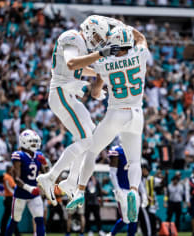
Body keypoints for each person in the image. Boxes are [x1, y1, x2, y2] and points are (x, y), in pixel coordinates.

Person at [67, 26, 149, 227]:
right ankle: (133, 190)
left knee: (92, 151)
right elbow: (141, 38)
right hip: (137, 114)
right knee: (134, 162)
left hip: (116, 112)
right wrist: (125, 26)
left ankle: (80, 189)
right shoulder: (140, 54)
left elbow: (74, 66)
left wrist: (99, 53)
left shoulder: (106, 62)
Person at [37, 15, 123, 204]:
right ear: (91, 32)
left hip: (67, 92)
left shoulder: (80, 44)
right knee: (85, 140)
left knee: (89, 135)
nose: (99, 43)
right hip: (61, 92)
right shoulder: (72, 37)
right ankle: (50, 177)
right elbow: (71, 63)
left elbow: (79, 69)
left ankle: (71, 181)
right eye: (99, 38)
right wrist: (101, 55)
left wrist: (101, 73)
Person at [6, 130, 47, 236]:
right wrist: (30, 188)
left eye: (35, 141)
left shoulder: (38, 155)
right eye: (32, 141)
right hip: (21, 194)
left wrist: (45, 164)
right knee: (15, 220)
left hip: (34, 194)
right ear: (24, 142)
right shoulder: (19, 155)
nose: (35, 144)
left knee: (40, 220)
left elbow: (46, 174)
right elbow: (17, 179)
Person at [107, 145, 148, 236]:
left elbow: (138, 176)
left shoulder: (135, 149)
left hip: (133, 189)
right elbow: (112, 173)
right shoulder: (117, 150)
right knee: (125, 218)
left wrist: (144, 193)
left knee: (134, 218)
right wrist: (117, 189)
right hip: (122, 189)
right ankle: (111, 234)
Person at [0, 165, 19, 236]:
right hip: (10, 198)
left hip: (8, 198)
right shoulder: (8, 177)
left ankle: (3, 232)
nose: (13, 170)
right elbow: (14, 187)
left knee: (8, 217)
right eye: (12, 169)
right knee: (12, 217)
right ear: (9, 170)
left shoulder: (5, 176)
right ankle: (16, 233)